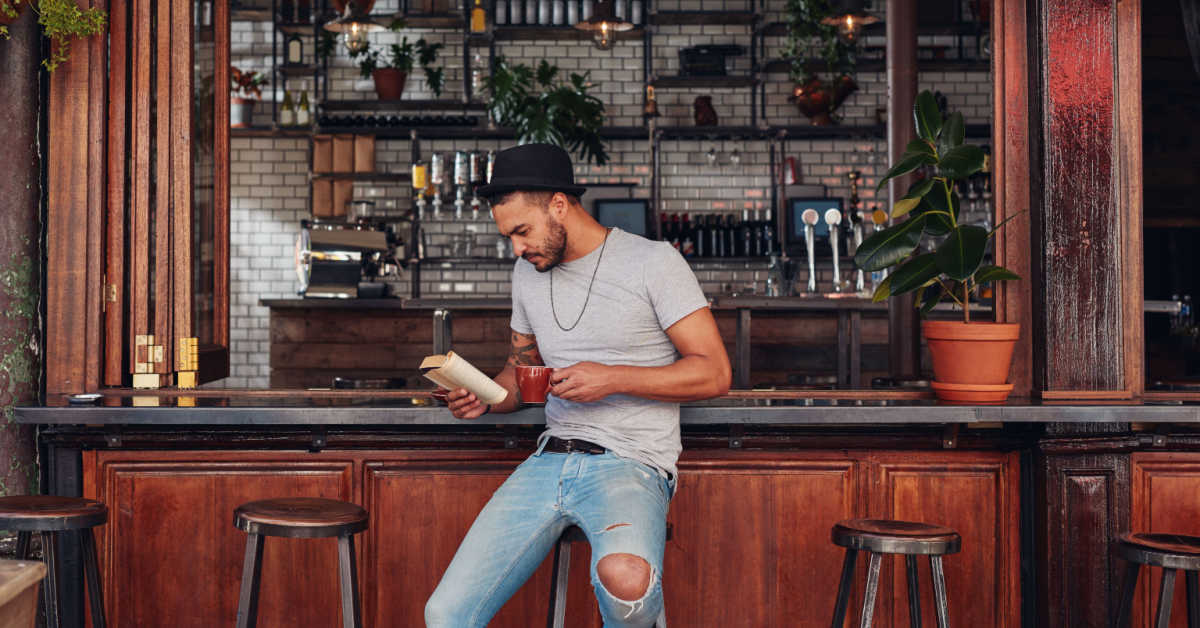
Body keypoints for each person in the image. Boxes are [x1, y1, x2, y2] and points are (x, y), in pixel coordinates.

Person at [424, 143, 731, 628]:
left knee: (626, 580)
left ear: (560, 205)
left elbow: (714, 372)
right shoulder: (526, 275)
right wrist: (481, 396)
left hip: (631, 463)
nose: (517, 249)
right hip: (548, 461)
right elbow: (522, 377)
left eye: (522, 232)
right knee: (444, 614)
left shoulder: (653, 263)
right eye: (509, 237)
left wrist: (611, 379)